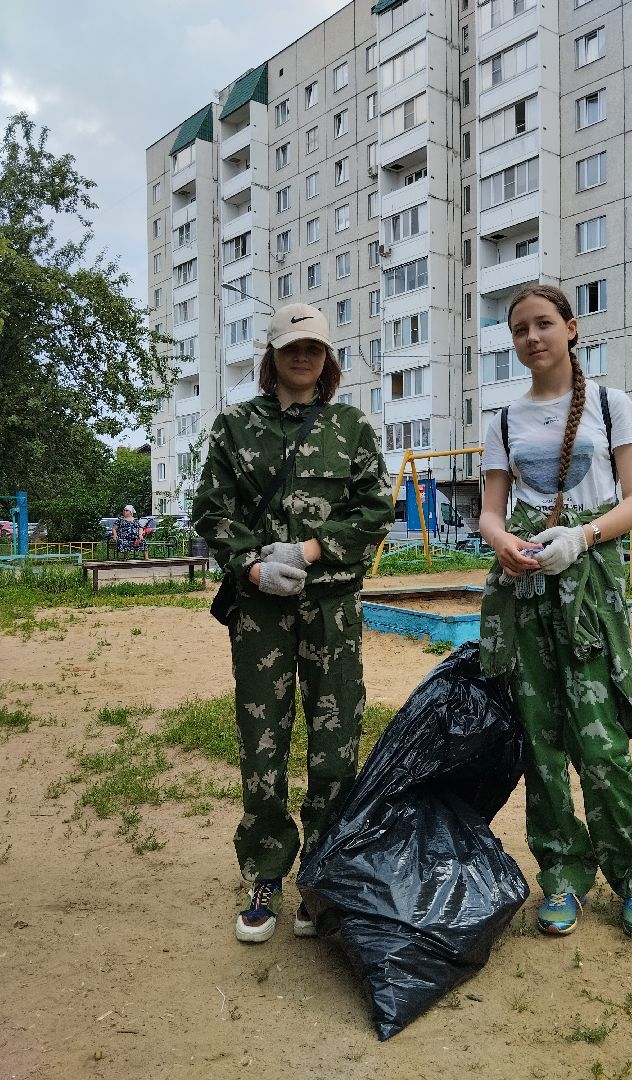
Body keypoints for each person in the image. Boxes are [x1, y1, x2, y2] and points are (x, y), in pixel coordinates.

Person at [192, 303, 394, 945]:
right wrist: (252, 568)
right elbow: (212, 513)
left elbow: (373, 511)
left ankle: (322, 874)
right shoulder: (234, 428)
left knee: (335, 746)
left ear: (327, 357)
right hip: (261, 615)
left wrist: (308, 552)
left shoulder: (352, 429)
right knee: (263, 742)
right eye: (290, 346)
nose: (302, 356)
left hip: (331, 607)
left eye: (313, 346)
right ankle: (263, 872)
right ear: (272, 355)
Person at [478, 284, 632, 939]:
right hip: (525, 590)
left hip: (590, 591)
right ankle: (560, 877)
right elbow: (490, 510)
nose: (532, 337)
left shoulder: (612, 406)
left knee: (601, 743)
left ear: (570, 327)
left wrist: (580, 537)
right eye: (520, 329)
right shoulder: (503, 421)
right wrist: (501, 542)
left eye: (543, 324)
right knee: (539, 742)